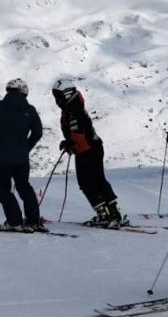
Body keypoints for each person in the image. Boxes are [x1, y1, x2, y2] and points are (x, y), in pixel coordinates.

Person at [52, 78, 125, 228]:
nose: (57, 101)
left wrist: (69, 143)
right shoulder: (75, 106)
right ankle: (114, 212)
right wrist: (70, 142)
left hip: (86, 150)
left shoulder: (72, 109)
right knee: (99, 180)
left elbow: (78, 132)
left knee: (87, 183)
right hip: (95, 146)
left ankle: (104, 215)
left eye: (58, 96)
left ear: (66, 94)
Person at [0, 78, 44, 232]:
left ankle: (14, 222)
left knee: (3, 190)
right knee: (24, 187)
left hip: (2, 158)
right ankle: (33, 221)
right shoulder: (30, 109)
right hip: (22, 160)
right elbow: (38, 132)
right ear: (24, 92)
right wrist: (26, 147)